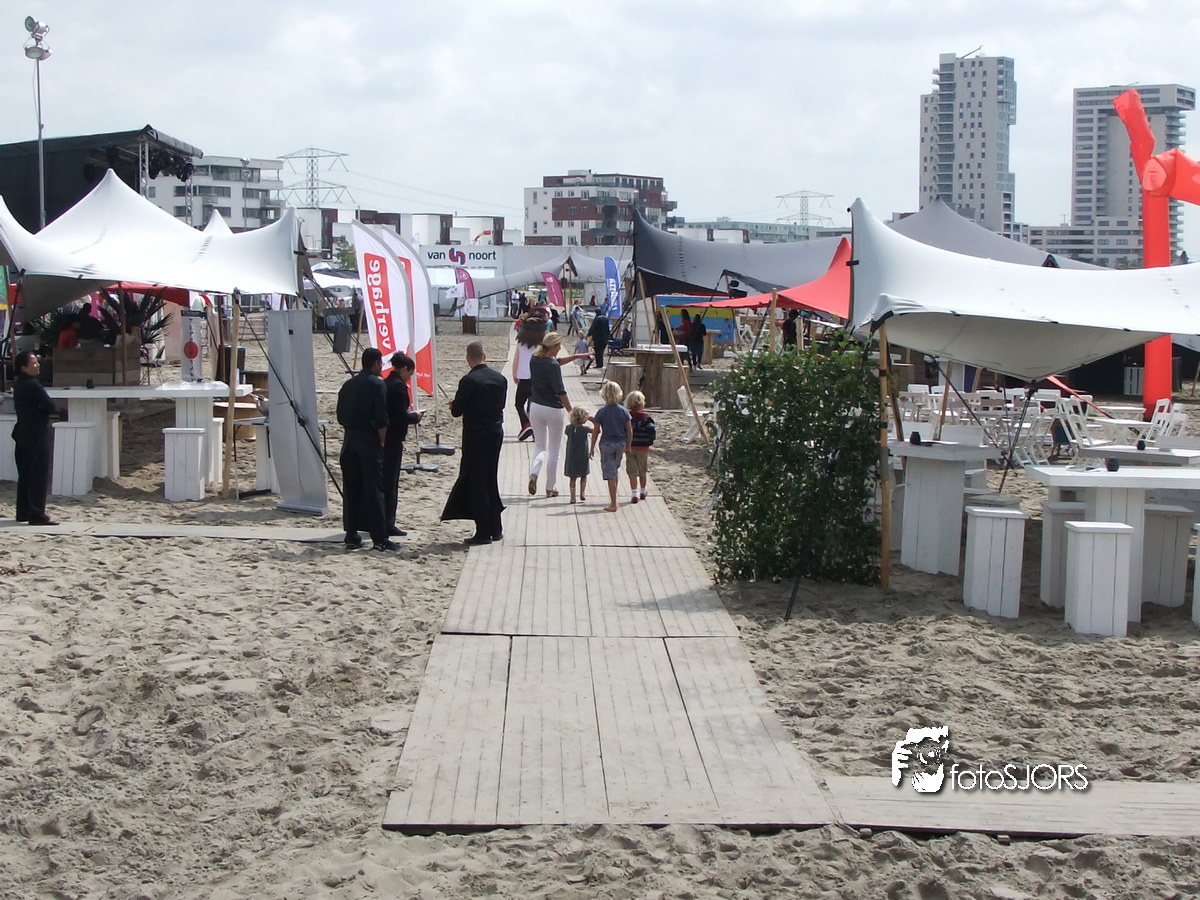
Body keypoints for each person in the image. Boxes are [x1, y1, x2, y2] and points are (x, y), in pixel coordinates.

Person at [441, 341, 507, 544]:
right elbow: (500, 405)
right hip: (495, 432)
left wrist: (454, 404)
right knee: (490, 478)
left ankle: (483, 531)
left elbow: (457, 411)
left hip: (476, 435)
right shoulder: (500, 379)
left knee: (477, 481)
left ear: (468, 359)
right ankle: (496, 528)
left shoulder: (469, 380)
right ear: (484, 356)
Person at [336, 347, 394, 551]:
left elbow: (340, 415)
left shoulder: (348, 384)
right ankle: (380, 538)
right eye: (381, 363)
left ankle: (351, 534)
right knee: (374, 490)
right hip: (368, 440)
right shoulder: (377, 384)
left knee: (351, 490)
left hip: (349, 439)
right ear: (376, 363)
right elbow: (381, 419)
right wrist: (381, 442)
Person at [526, 332, 589, 498]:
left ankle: (534, 473)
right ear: (553, 346)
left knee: (540, 446)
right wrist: (572, 413)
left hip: (535, 406)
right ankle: (550, 487)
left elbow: (556, 362)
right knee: (554, 449)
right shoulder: (552, 365)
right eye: (558, 346)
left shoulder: (534, 359)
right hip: (553, 409)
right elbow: (561, 392)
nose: (560, 348)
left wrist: (577, 356)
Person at [12, 352, 57, 526]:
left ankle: (23, 511)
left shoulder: (19, 384)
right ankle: (37, 513)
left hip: (23, 432)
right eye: (33, 363)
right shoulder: (32, 385)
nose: (37, 365)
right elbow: (50, 406)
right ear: (23, 367)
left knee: (25, 474)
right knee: (38, 474)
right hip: (36, 434)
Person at [383, 352, 425, 538]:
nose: (410, 378)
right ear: (405, 369)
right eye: (410, 374)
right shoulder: (398, 387)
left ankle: (381, 520)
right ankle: (388, 523)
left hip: (382, 437)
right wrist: (415, 417)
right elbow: (400, 416)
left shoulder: (385, 383)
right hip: (393, 438)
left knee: (383, 481)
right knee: (391, 483)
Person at [589, 381, 632, 513]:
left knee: (610, 473)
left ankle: (613, 503)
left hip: (607, 444)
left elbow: (596, 431)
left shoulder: (601, 412)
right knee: (614, 470)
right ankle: (614, 500)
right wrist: (628, 445)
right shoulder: (624, 411)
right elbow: (629, 430)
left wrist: (592, 447)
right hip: (620, 444)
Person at [512, 309, 549, 441]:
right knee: (532, 405)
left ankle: (526, 424)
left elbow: (516, 359)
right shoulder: (543, 343)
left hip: (524, 377)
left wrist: (514, 374)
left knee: (519, 404)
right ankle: (535, 431)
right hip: (538, 378)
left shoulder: (521, 342)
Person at [625, 390, 656, 504]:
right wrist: (650, 440)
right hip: (643, 447)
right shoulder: (646, 418)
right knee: (642, 470)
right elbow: (652, 430)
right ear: (642, 404)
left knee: (632, 471)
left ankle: (634, 493)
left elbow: (624, 430)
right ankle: (643, 491)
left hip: (630, 446)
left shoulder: (627, 417)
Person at [563, 405, 592, 504]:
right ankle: (582, 493)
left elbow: (566, 432)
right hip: (582, 455)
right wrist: (594, 421)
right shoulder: (585, 429)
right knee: (584, 475)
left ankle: (572, 497)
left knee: (572, 478)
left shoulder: (569, 428)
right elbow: (597, 431)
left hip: (571, 456)